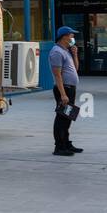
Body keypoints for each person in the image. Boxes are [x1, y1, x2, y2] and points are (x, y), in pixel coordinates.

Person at [48, 25, 81, 156]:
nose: (73, 37)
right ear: (64, 36)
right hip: (64, 89)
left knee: (68, 117)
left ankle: (66, 143)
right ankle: (59, 147)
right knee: (62, 117)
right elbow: (57, 75)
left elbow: (75, 68)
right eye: (71, 35)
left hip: (70, 88)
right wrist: (63, 94)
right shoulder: (56, 52)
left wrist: (75, 54)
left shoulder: (66, 51)